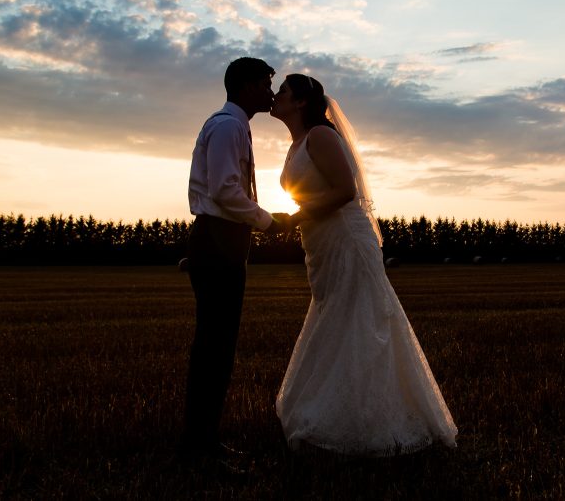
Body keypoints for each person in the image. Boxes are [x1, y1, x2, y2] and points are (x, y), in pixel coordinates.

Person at [270, 73, 458, 456]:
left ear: (301, 101)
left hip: (346, 238)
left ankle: (369, 422)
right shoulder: (298, 143)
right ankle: (333, 410)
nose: (276, 96)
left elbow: (345, 191)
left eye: (283, 91)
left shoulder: (321, 135)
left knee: (358, 320)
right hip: (321, 242)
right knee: (333, 315)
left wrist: (295, 217)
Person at [180, 57, 290, 464]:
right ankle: (200, 447)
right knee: (215, 347)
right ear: (245, 86)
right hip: (219, 239)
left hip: (222, 238)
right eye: (265, 84)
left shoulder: (233, 125)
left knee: (217, 345)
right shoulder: (228, 126)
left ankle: (202, 441)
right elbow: (226, 190)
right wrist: (267, 221)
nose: (270, 93)